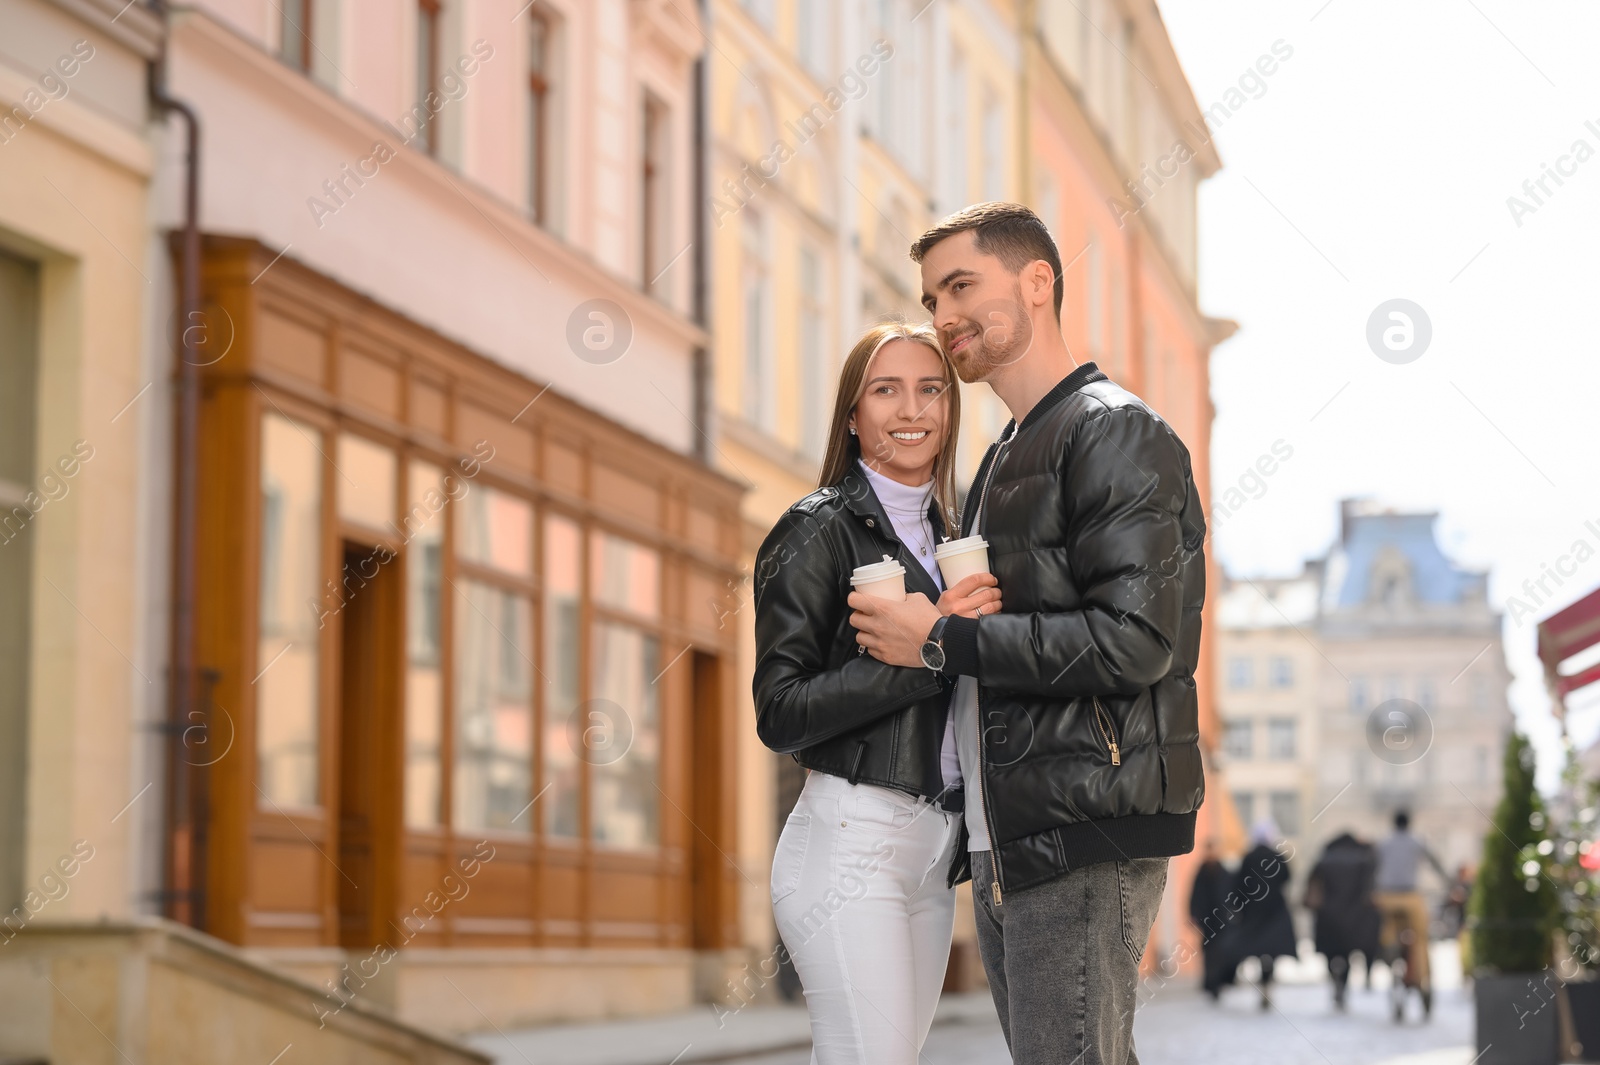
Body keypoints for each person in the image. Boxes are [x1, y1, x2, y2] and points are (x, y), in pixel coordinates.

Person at [849, 202, 1206, 1065]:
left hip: (1085, 821)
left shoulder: (1114, 430)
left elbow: (1134, 641)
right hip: (1010, 831)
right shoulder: (1003, 454)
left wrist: (942, 638)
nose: (942, 318)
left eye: (961, 285)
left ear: (1037, 281)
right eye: (931, 297)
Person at [751, 319, 1001, 1065]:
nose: (911, 409)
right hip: (850, 843)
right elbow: (780, 710)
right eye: (885, 390)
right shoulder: (816, 529)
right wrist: (930, 648)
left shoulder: (958, 535)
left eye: (930, 389)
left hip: (934, 854)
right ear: (853, 416)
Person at [1373, 809, 1448, 1016]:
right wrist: (1448, 882)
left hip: (1386, 897)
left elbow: (1373, 868)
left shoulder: (1383, 843)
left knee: (1388, 931)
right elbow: (1436, 864)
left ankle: (1389, 951)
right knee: (1421, 938)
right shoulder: (1417, 841)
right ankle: (1422, 978)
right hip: (1410, 896)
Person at [1305, 831, 1380, 1010]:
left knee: (1331, 953)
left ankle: (1335, 982)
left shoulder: (1325, 859)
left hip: (1328, 915)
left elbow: (1312, 884)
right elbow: (1370, 888)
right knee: (1348, 954)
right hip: (1355, 915)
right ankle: (1343, 986)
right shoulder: (1363, 859)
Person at [1230, 820, 1298, 1011]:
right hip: (1274, 911)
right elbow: (1287, 879)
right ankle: (1267, 984)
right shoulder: (1278, 857)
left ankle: (1263, 985)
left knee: (1259, 951)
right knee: (1271, 951)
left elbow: (1238, 885)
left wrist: (1237, 908)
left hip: (1253, 911)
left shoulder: (1248, 858)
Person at [1187, 838, 1240, 1001]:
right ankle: (1211, 983)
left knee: (1222, 950)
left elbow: (1232, 894)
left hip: (1223, 919)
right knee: (1209, 951)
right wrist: (1194, 914)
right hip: (1207, 919)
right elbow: (1194, 895)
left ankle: (1220, 981)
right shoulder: (1201, 872)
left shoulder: (1225, 872)